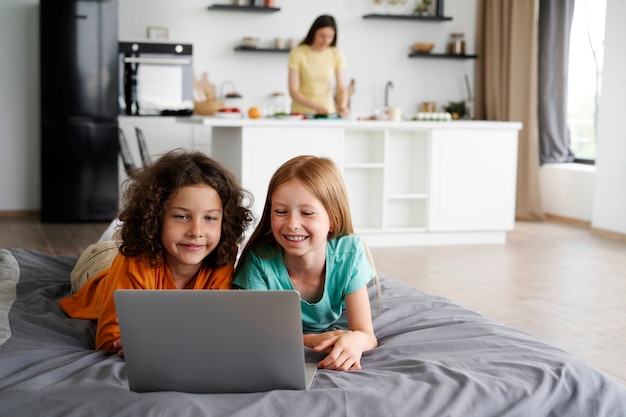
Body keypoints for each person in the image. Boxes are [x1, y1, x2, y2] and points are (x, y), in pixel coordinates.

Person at [59, 149, 253, 353]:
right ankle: (120, 229)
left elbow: (215, 324)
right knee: (118, 245)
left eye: (210, 218)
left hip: (158, 248)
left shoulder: (222, 258)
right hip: (98, 262)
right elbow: (109, 338)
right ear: (155, 218)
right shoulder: (132, 263)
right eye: (181, 216)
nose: (197, 231)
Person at [233, 155, 378, 371]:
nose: (292, 224)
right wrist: (309, 340)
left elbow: (367, 335)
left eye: (307, 213)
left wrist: (355, 340)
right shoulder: (259, 262)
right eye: (281, 212)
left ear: (334, 219)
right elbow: (256, 335)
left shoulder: (350, 253)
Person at [288, 15, 350, 118]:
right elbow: (294, 90)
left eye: (330, 37)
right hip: (301, 114)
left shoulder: (336, 53)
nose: (326, 41)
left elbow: (341, 87)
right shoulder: (298, 53)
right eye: (322, 36)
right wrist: (316, 107)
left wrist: (343, 105)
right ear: (313, 33)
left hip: (328, 112)